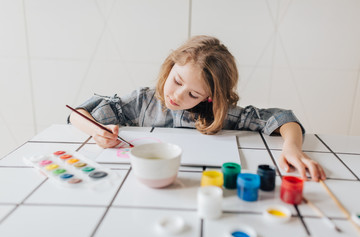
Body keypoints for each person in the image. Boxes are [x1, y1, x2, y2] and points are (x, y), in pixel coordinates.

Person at [69, 35, 326, 182]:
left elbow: (282, 118)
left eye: (193, 94)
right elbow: (79, 113)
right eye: (177, 81)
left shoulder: (219, 114)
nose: (177, 96)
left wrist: (292, 147)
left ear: (209, 98)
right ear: (170, 67)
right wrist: (96, 131)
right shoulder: (141, 102)